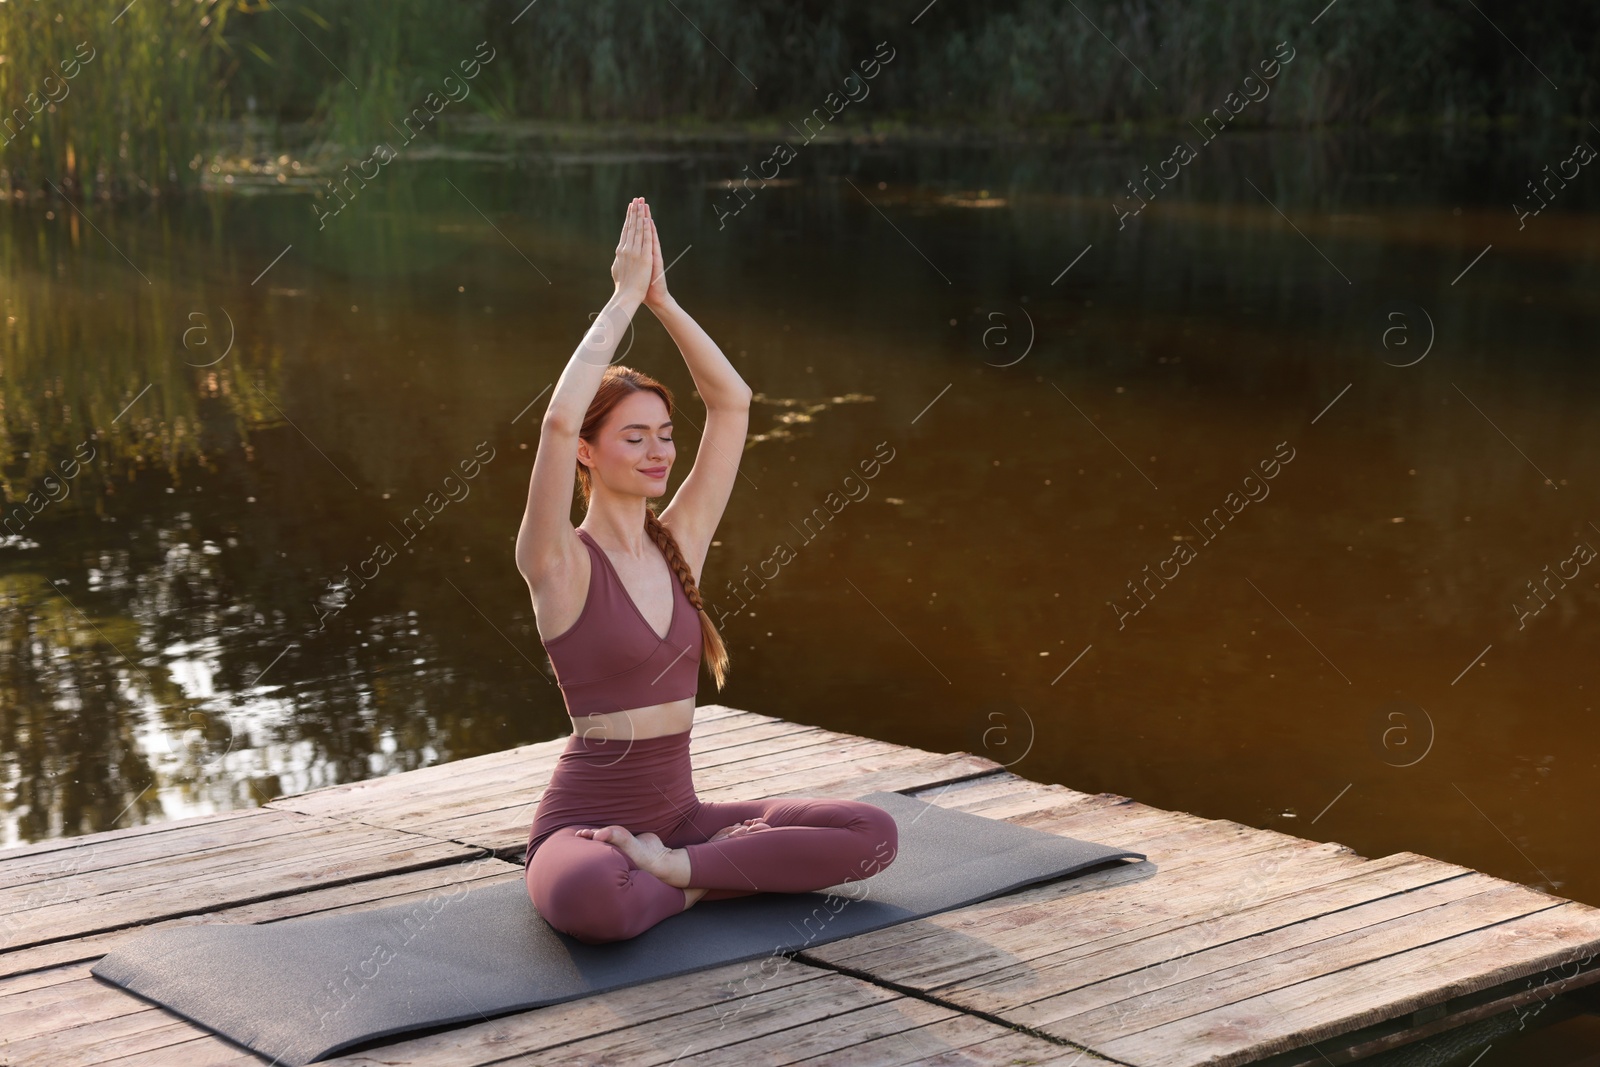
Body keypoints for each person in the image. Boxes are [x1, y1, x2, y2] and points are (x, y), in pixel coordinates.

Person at [516, 197, 898, 944]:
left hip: (684, 821)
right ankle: (697, 877)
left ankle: (679, 873)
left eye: (664, 433)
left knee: (874, 832)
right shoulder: (556, 559)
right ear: (588, 454)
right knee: (596, 896)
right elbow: (557, 420)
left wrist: (664, 300)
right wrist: (623, 300)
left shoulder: (678, 541)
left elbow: (732, 404)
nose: (660, 450)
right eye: (635, 436)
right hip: (584, 825)